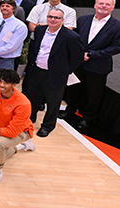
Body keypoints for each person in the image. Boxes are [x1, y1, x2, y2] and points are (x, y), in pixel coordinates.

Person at [62, 0, 120, 130]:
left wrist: (92, 55)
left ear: (113, 8)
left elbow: (116, 48)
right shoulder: (82, 20)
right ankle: (70, 110)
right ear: (95, 5)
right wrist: (78, 53)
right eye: (101, 3)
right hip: (79, 63)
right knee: (74, 88)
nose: (103, 6)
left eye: (107, 4)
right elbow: (76, 39)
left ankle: (88, 119)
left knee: (94, 94)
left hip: (98, 66)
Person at [23, 8, 83, 137]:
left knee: (53, 102)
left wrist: (65, 70)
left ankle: (48, 126)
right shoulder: (40, 30)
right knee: (33, 98)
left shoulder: (72, 37)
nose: (53, 19)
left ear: (62, 20)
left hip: (56, 75)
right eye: (50, 16)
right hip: (37, 71)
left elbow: (77, 58)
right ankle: (30, 119)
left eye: (56, 18)